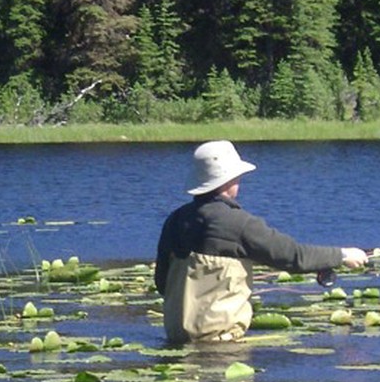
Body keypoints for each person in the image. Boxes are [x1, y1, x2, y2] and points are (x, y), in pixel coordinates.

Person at [155, 140, 368, 344]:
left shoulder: (175, 220)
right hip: (220, 341)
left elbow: (162, 283)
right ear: (229, 180)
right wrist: (343, 255)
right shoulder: (238, 223)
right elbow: (294, 257)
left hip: (175, 336)